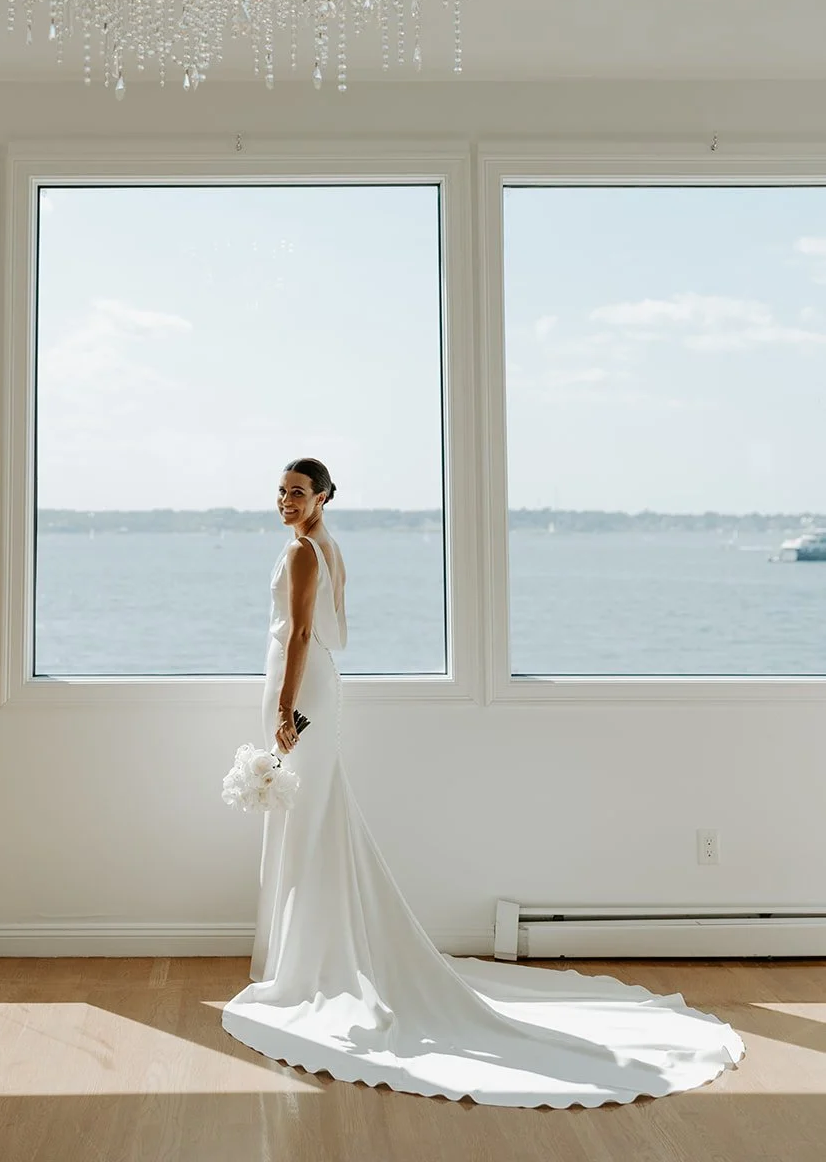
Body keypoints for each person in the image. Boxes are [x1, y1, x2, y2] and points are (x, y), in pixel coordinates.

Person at [222, 457, 745, 1107]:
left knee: (307, 817)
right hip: (315, 683)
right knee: (312, 815)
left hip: (300, 689)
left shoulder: (304, 550)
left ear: (324, 498)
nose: (284, 501)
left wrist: (280, 708)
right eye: (279, 492)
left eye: (297, 493)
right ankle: (310, 954)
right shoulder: (325, 545)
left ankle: (306, 964)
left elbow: (300, 629)